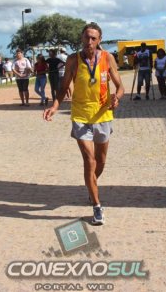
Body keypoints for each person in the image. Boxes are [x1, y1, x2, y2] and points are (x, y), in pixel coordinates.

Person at [43, 23, 124, 225]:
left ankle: (91, 185)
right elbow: (63, 87)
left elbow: (120, 86)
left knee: (101, 161)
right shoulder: (73, 60)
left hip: (103, 115)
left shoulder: (108, 58)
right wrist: (55, 106)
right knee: (89, 160)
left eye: (93, 38)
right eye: (87, 37)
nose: (89, 41)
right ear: (81, 38)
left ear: (99, 40)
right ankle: (97, 206)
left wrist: (117, 98)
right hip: (80, 116)